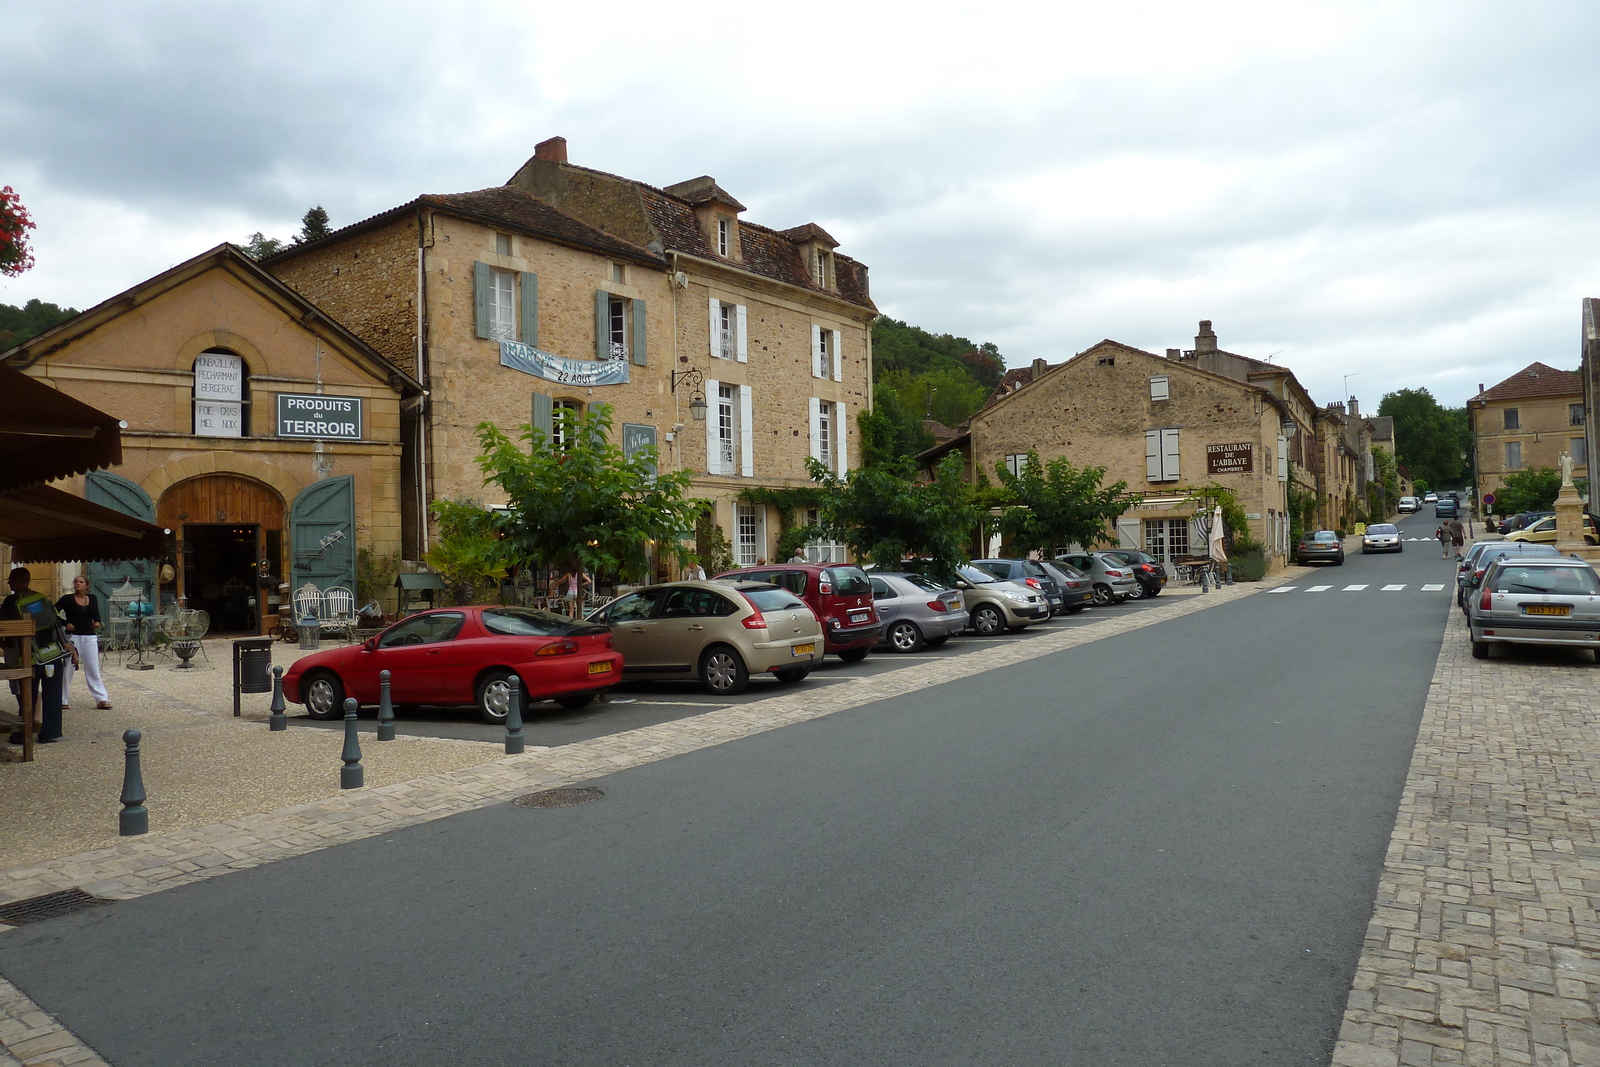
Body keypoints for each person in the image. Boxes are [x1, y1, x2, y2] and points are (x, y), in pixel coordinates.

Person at [2, 567, 79, 745]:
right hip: (52, 654)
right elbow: (56, 624)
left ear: (20, 581)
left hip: (28, 657)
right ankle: (50, 733)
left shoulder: (11, 601)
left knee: (27, 695)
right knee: (52, 693)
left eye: (11, 579)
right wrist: (69, 647)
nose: (8, 583)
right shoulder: (42, 599)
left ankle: (22, 734)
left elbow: (4, 626)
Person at [57, 575, 112, 710]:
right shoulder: (67, 599)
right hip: (73, 637)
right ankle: (63, 700)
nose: (78, 584)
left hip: (90, 637)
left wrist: (97, 622)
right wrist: (65, 623)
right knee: (68, 669)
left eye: (81, 582)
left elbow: (96, 614)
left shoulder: (92, 598)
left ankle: (101, 699)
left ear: (87, 585)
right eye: (76, 582)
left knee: (93, 668)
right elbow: (52, 613)